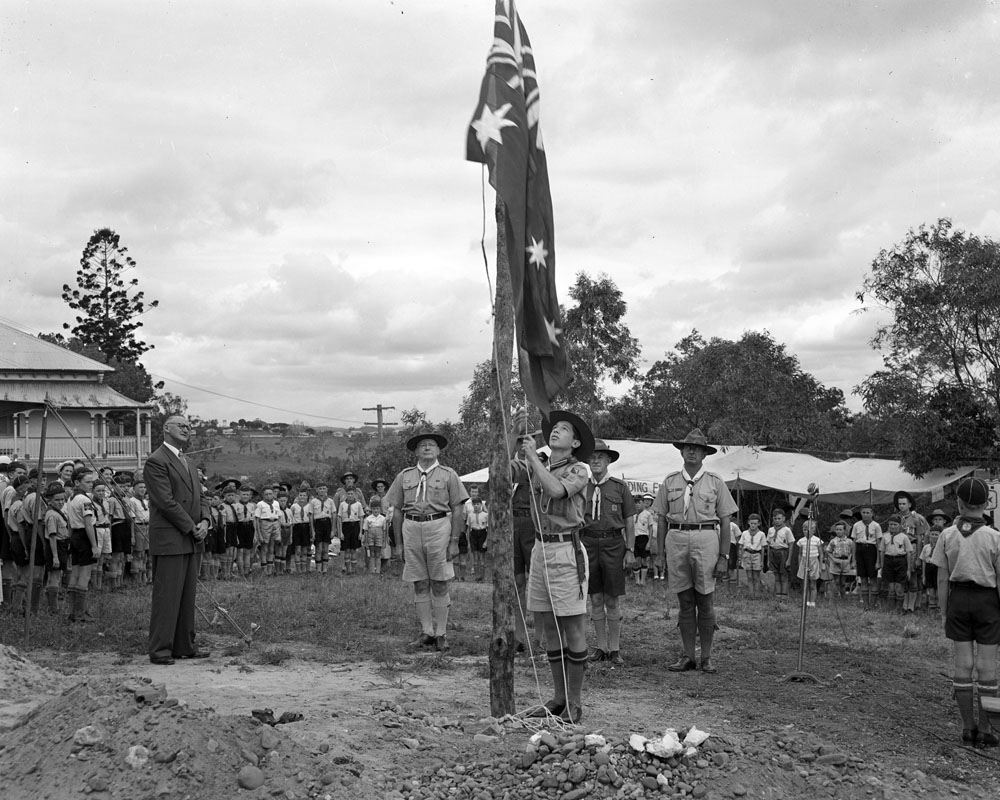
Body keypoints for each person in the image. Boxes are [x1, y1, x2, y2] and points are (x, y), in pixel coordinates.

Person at [509, 408, 592, 723]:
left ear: (574, 443)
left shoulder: (578, 469)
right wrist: (512, 435)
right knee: (548, 627)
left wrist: (532, 458)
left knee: (572, 625)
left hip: (565, 549)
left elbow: (557, 491)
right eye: (553, 428)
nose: (555, 431)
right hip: (540, 548)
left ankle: (574, 702)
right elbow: (502, 471)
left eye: (564, 429)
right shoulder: (538, 463)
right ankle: (558, 698)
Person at [654, 428, 738, 674]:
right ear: (681, 451)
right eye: (687, 447)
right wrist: (659, 554)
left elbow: (725, 522)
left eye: (697, 448)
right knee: (685, 600)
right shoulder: (670, 481)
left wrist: (724, 556)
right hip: (676, 537)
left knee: (706, 600)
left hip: (706, 538)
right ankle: (688, 654)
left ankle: (707, 657)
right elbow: (660, 519)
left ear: (704, 453)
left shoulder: (715, 482)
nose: (691, 451)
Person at [930, 477, 1000, 748]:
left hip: (958, 599)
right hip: (987, 602)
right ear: (986, 504)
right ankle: (987, 729)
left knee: (962, 666)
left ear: (958, 503)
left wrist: (944, 612)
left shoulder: (947, 535)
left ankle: (966, 728)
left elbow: (941, 579)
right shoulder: (994, 537)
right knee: (987, 667)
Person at [385, 430, 469, 652]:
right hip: (411, 528)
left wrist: (454, 541)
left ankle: (441, 633)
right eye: (422, 445)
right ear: (415, 451)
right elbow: (396, 511)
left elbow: (458, 508)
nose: (427, 448)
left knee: (440, 581)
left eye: (432, 444)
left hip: (438, 526)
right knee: (419, 581)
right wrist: (399, 543)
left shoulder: (449, 475)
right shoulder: (404, 476)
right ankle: (427, 632)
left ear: (439, 450)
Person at [144, 415, 211, 665]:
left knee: (186, 596)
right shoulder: (156, 461)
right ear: (166, 429)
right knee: (167, 596)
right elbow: (165, 502)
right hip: (172, 538)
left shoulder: (189, 461)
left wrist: (205, 521)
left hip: (192, 538)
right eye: (181, 425)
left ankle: (185, 646)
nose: (187, 429)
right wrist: (191, 526)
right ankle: (160, 649)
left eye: (189, 426)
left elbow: (203, 497)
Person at [582, 439, 636, 666]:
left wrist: (630, 550)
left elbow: (629, 522)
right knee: (594, 597)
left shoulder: (619, 487)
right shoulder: (581, 486)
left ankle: (615, 649)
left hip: (613, 544)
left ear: (608, 461)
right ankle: (600, 647)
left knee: (611, 599)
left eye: (601, 457)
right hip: (588, 543)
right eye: (592, 457)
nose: (596, 460)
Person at [512, 449, 547, 652]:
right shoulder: (513, 474)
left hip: (534, 527)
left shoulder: (542, 477)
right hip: (514, 524)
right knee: (518, 583)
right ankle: (519, 636)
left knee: (538, 583)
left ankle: (539, 638)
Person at [65, 468, 100, 623]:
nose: (91, 484)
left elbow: (70, 524)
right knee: (84, 575)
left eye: (92, 481)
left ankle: (73, 611)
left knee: (75, 573)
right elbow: (88, 524)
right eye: (87, 481)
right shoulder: (85, 500)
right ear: (77, 482)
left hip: (75, 537)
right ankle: (80, 613)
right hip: (85, 537)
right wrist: (94, 545)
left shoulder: (71, 498)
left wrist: (69, 539)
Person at [895, 491, 929, 614]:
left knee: (913, 577)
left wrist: (918, 558)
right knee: (903, 577)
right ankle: (904, 606)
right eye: (899, 504)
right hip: (899, 549)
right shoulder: (898, 518)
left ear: (910, 504)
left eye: (904, 503)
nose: (901, 506)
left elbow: (920, 538)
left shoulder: (917, 518)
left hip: (913, 548)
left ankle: (911, 606)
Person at [43, 482, 70, 615]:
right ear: (50, 500)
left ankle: (54, 605)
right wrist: (55, 556)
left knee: (57, 576)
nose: (60, 502)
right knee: (53, 576)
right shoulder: (52, 515)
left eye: (62, 499)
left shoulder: (58, 512)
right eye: (57, 500)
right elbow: (52, 537)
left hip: (62, 545)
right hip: (56, 547)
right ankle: (53, 608)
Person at [851, 504, 882, 611]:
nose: (865, 515)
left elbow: (878, 544)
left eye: (868, 512)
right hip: (860, 550)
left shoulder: (876, 526)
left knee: (873, 579)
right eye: (863, 512)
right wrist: (854, 559)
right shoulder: (856, 525)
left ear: (872, 513)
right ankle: (866, 605)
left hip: (871, 550)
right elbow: (854, 543)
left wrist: (878, 560)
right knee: (863, 579)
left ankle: (873, 604)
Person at [922, 509, 950, 612]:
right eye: (935, 519)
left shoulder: (948, 532)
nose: (937, 521)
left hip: (941, 564)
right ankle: (930, 608)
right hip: (930, 563)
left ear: (944, 521)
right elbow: (926, 547)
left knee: (941, 588)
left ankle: (941, 609)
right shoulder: (928, 532)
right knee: (930, 589)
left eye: (940, 519)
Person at [765, 508, 795, 600]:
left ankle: (784, 596)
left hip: (783, 552)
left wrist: (789, 559)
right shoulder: (770, 530)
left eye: (779, 518)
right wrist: (768, 559)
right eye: (775, 518)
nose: (777, 521)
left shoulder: (787, 530)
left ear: (783, 519)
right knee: (776, 575)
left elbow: (791, 544)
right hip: (773, 552)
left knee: (783, 576)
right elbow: (769, 545)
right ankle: (778, 595)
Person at [796, 519, 824, 607]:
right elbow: (800, 554)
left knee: (813, 583)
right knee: (805, 584)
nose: (806, 532)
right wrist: (800, 564)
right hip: (804, 562)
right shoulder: (801, 541)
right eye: (804, 530)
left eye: (809, 530)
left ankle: (812, 601)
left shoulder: (817, 540)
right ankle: (806, 601)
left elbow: (821, 554)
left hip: (814, 562)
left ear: (813, 530)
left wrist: (820, 566)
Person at [310, 483, 336, 575]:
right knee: (318, 548)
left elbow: (333, 515)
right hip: (318, 524)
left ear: (327, 490)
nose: (322, 490)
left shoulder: (330, 501)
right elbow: (311, 516)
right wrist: (312, 530)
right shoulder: (313, 502)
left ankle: (325, 568)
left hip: (327, 523)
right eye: (320, 488)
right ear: (317, 490)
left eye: (324, 488)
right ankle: (318, 568)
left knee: (326, 548)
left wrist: (333, 530)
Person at [826, 520, 855, 599]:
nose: (838, 531)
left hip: (845, 561)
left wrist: (851, 561)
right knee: (836, 581)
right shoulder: (833, 541)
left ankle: (843, 597)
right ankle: (834, 597)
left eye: (840, 529)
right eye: (837, 530)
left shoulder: (849, 541)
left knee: (843, 582)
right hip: (836, 561)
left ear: (844, 531)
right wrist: (833, 559)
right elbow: (828, 551)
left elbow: (852, 552)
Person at [738, 513, 766, 598]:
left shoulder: (761, 534)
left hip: (757, 554)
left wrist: (762, 561)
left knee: (756, 577)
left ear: (759, 524)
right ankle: (751, 594)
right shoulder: (744, 533)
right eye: (751, 523)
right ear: (748, 523)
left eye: (755, 523)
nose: (753, 525)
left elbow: (763, 548)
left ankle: (757, 594)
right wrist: (741, 558)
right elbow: (741, 546)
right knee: (749, 576)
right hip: (747, 554)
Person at [338, 488, 365, 575]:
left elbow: (361, 518)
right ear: (346, 495)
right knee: (346, 549)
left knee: (353, 549)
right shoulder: (342, 504)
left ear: (355, 495)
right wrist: (340, 532)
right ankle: (348, 569)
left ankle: (353, 569)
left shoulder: (358, 504)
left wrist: (361, 532)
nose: (350, 495)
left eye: (351, 494)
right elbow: (339, 518)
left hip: (355, 526)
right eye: (348, 494)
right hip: (345, 526)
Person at [634, 493, 655, 586]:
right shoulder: (632, 515)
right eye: (636, 502)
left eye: (639, 502)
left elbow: (650, 528)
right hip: (634, 537)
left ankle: (643, 580)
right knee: (636, 560)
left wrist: (649, 542)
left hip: (643, 538)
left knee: (643, 560)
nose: (637, 504)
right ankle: (636, 580)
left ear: (642, 503)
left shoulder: (648, 514)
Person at [466, 496, 489, 583]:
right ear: (472, 505)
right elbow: (468, 529)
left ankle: (482, 577)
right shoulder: (470, 515)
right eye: (474, 504)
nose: (476, 506)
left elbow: (488, 529)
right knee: (475, 557)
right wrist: (468, 541)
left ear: (481, 504)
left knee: (482, 557)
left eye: (478, 504)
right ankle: (477, 576)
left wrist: (486, 541)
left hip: (482, 533)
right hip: (473, 534)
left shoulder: (485, 515)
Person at [362, 499, 387, 575]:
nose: (375, 510)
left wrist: (384, 541)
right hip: (370, 536)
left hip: (379, 536)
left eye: (377, 509)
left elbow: (384, 531)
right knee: (372, 554)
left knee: (378, 554)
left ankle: (378, 570)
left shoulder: (383, 519)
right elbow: (366, 530)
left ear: (380, 509)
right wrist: (365, 541)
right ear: (371, 509)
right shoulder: (368, 519)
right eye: (374, 509)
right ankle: (372, 570)